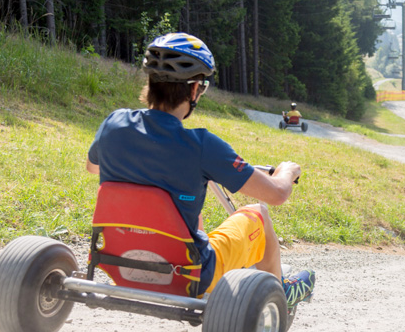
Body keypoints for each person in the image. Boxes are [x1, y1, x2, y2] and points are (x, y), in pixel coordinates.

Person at [86, 32, 314, 310]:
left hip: (116, 264)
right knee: (260, 213)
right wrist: (287, 171)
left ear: (150, 82)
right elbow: (276, 194)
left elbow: (92, 166)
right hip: (188, 275)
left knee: (189, 211)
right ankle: (279, 293)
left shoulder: (114, 123)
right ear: (194, 90)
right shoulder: (202, 146)